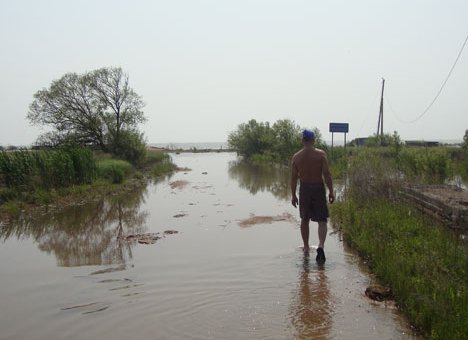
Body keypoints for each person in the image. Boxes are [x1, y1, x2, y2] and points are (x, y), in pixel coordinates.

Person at [290, 129, 335, 263]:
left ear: (303, 140)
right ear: (313, 140)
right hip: (318, 188)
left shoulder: (296, 157)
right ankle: (321, 245)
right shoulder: (321, 155)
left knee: (305, 219)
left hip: (304, 188)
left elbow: (293, 179)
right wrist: (331, 191)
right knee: (322, 220)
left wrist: (293, 195)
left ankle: (306, 246)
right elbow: (327, 174)